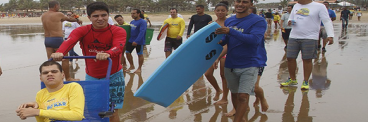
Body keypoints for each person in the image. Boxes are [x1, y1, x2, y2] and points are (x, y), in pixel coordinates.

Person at [50, 2, 126, 122]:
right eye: (96, 16)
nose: (100, 19)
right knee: (92, 110)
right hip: (92, 77)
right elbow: (69, 42)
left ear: (108, 16)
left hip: (114, 76)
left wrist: (108, 53)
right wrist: (60, 52)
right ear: (89, 17)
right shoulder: (82, 30)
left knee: (112, 112)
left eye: (103, 15)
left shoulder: (118, 31)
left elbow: (119, 46)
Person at [214, 0, 267, 121]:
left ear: (251, 4)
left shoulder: (258, 21)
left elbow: (254, 40)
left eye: (245, 2)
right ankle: (241, 118)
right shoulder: (229, 21)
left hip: (250, 63)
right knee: (234, 93)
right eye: (238, 1)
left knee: (243, 96)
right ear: (234, 2)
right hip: (231, 63)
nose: (240, 4)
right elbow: (226, 40)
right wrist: (216, 43)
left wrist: (231, 31)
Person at [280, 0, 334, 90]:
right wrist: (290, 22)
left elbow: (327, 21)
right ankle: (292, 79)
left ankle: (305, 81)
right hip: (294, 36)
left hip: (310, 37)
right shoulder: (296, 6)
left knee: (307, 59)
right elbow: (291, 18)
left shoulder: (319, 6)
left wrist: (330, 35)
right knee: (290, 58)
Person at [16, 61, 85, 121]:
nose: (49, 74)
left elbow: (77, 115)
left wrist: (38, 111)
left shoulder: (73, 87)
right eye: (45, 73)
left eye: (54, 71)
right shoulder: (40, 94)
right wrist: (35, 109)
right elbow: (41, 120)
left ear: (62, 75)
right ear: (41, 78)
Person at [41, 1, 81, 81]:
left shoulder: (44, 15)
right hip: (57, 39)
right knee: (65, 59)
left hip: (47, 40)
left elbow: (58, 21)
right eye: (58, 6)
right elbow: (69, 19)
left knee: (50, 60)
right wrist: (77, 20)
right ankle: (68, 78)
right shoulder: (59, 14)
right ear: (56, 6)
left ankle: (53, 79)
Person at [206, 1, 229, 105]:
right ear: (215, 11)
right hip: (213, 51)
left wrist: (218, 58)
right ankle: (218, 90)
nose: (220, 12)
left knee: (223, 75)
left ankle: (224, 97)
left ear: (227, 11)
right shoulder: (211, 24)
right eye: (218, 10)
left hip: (225, 50)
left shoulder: (230, 23)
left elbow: (227, 43)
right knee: (208, 74)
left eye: (223, 10)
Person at [125, 9, 147, 73]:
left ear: (138, 14)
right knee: (127, 52)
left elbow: (142, 32)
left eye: (134, 13)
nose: (132, 15)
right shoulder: (132, 22)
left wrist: (137, 41)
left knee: (140, 54)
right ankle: (132, 66)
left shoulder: (142, 22)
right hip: (131, 40)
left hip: (139, 41)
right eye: (131, 13)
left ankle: (139, 68)